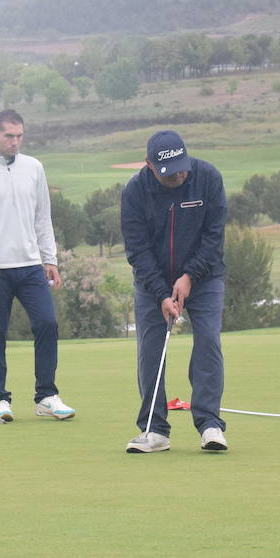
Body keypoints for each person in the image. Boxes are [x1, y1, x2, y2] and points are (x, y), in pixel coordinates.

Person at [0, 109, 74, 423]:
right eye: (9, 136)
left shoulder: (34, 167)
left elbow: (42, 217)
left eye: (20, 136)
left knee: (47, 324)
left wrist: (50, 259)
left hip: (31, 265)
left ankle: (46, 395)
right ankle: (0, 400)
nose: (15, 142)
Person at [120, 131, 228, 453]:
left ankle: (210, 424)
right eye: (170, 173)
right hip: (152, 280)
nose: (180, 176)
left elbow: (213, 237)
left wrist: (189, 276)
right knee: (151, 350)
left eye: (182, 168)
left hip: (205, 276)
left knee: (208, 339)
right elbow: (138, 251)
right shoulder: (135, 192)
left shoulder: (207, 178)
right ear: (150, 166)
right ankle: (155, 430)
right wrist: (161, 294)